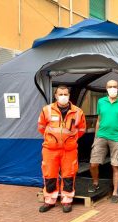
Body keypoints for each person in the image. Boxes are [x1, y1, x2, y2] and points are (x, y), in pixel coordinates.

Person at [37, 85, 86, 213]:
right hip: (50, 149)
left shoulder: (78, 112)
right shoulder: (46, 110)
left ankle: (67, 200)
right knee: (49, 175)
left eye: (65, 94)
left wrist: (68, 140)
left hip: (69, 150)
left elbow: (81, 130)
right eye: (61, 94)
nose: (63, 96)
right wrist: (53, 140)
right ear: (56, 95)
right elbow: (41, 128)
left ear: (69, 96)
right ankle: (49, 200)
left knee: (69, 175)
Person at [88, 80, 118, 203]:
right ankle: (95, 183)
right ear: (106, 88)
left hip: (117, 138)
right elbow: (98, 120)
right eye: (110, 87)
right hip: (101, 136)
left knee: (116, 165)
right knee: (93, 164)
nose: (112, 88)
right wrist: (95, 138)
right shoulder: (101, 101)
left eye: (114, 86)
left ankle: (115, 192)